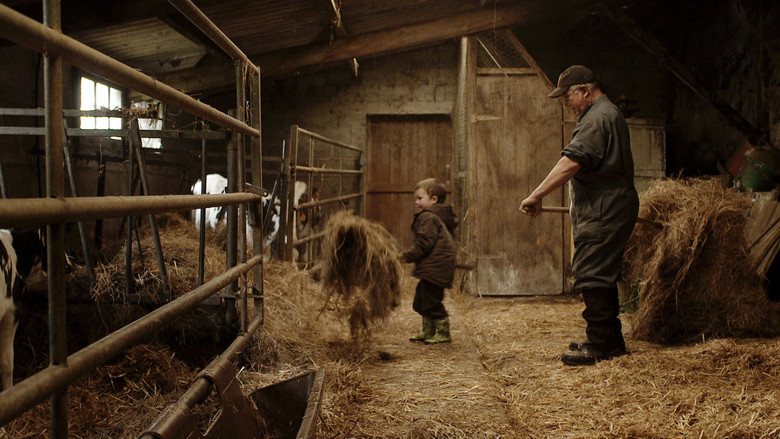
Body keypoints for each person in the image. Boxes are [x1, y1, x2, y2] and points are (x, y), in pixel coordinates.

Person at [520, 65, 639, 366]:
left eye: (568, 98)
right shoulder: (604, 113)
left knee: (592, 271)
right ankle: (609, 340)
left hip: (604, 209)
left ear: (585, 91)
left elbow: (571, 162)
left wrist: (537, 194)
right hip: (608, 205)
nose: (567, 105)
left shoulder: (597, 118)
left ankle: (601, 344)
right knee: (600, 272)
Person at [401, 178, 458, 344]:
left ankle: (443, 331)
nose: (416, 202)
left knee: (431, 301)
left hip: (437, 267)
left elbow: (424, 243)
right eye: (416, 198)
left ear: (433, 199)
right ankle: (428, 330)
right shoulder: (433, 216)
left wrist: (406, 256)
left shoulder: (429, 217)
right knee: (421, 299)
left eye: (420, 198)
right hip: (434, 267)